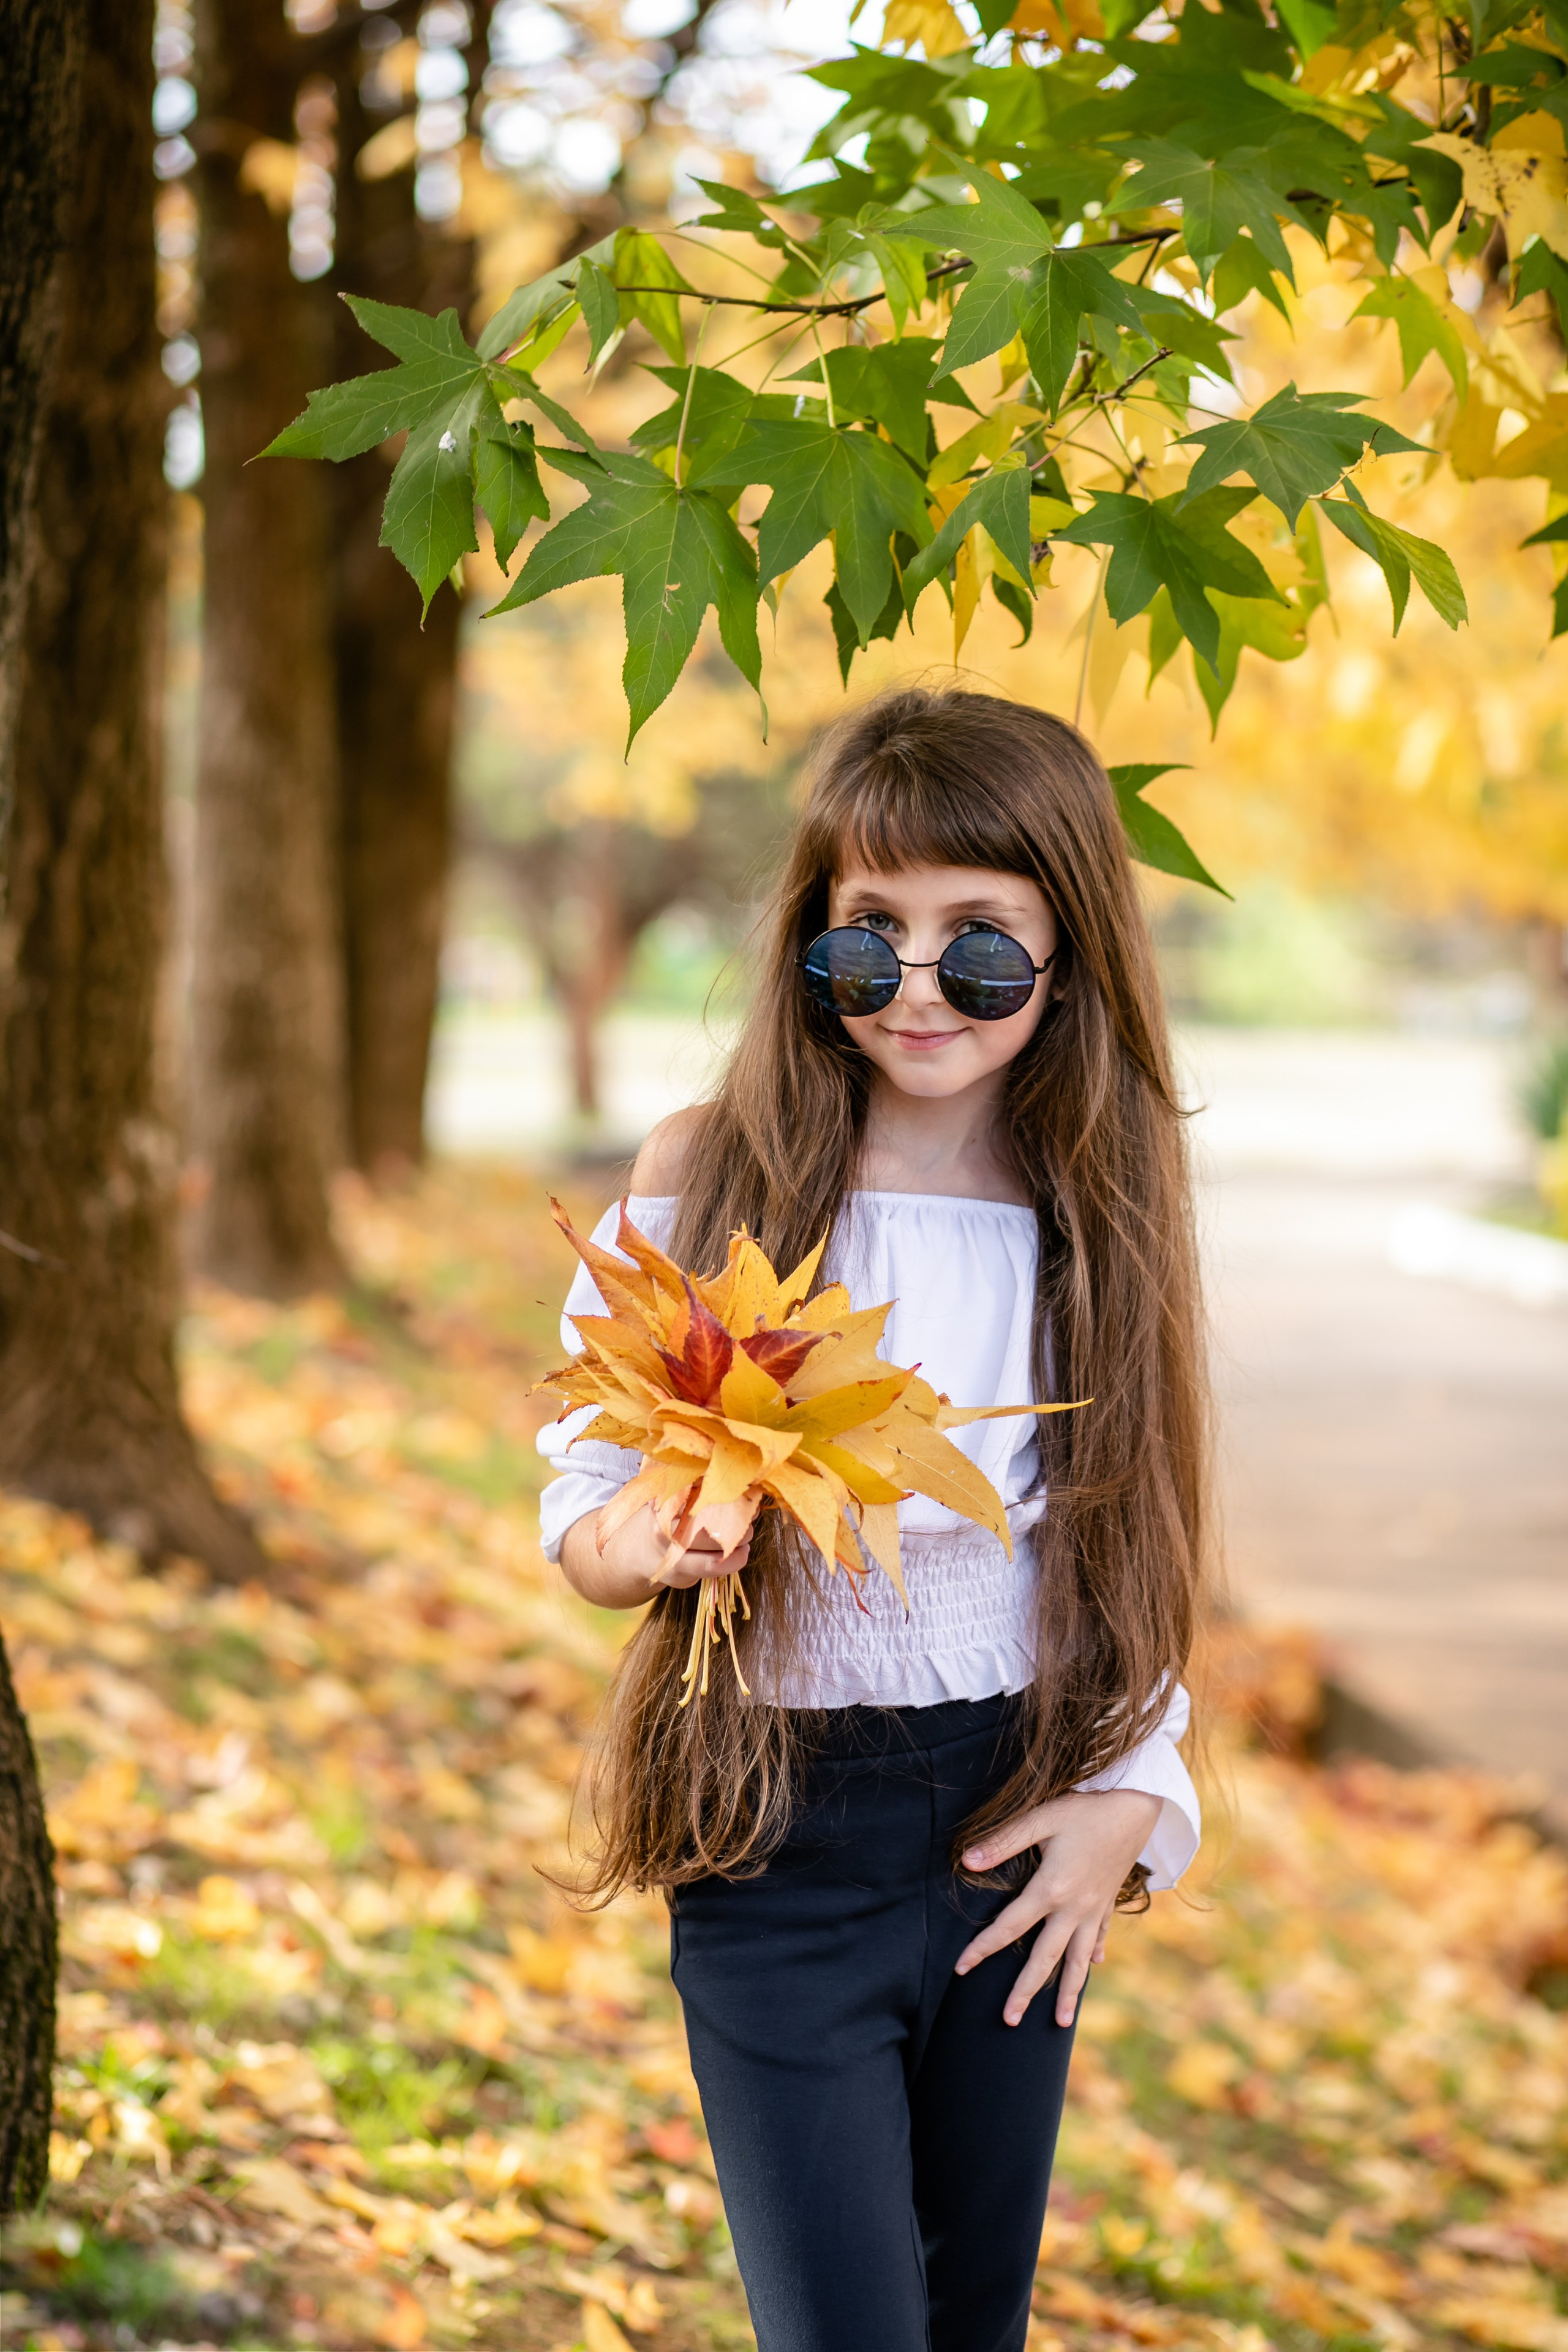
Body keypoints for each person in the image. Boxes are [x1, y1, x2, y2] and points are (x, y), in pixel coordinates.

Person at [537, 687, 1206, 2352]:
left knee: (968, 2321)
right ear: (807, 948)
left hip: (1012, 1819)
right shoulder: (712, 1176)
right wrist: (652, 1547)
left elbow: (1139, 1529)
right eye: (869, 939)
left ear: (1070, 960)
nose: (917, 988)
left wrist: (1135, 1790)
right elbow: (586, 1498)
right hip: (775, 1831)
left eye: (980, 943)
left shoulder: (1088, 1209)